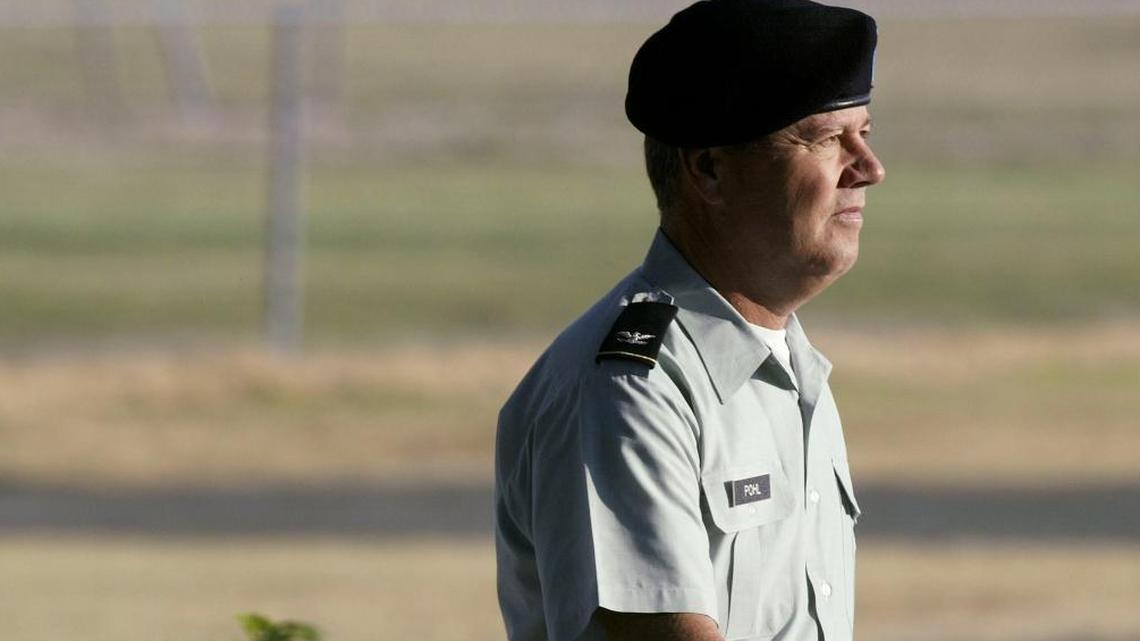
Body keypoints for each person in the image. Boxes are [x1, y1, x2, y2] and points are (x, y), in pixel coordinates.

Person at [494, 1, 886, 640]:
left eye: (865, 132)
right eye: (823, 138)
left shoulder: (786, 365)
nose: (868, 167)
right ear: (708, 169)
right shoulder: (632, 387)